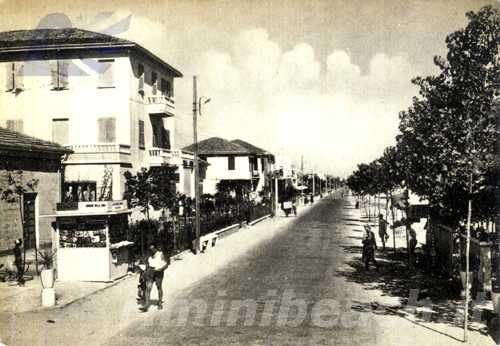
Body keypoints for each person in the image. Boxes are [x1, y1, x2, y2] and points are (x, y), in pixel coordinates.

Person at [140, 243, 169, 312]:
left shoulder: (160, 254)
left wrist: (161, 269)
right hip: (151, 273)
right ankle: (146, 305)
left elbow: (166, 264)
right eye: (150, 249)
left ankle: (159, 303)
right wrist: (144, 271)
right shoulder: (149, 256)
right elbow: (147, 265)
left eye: (153, 249)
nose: (151, 250)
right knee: (148, 288)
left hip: (159, 272)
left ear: (156, 248)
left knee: (159, 287)